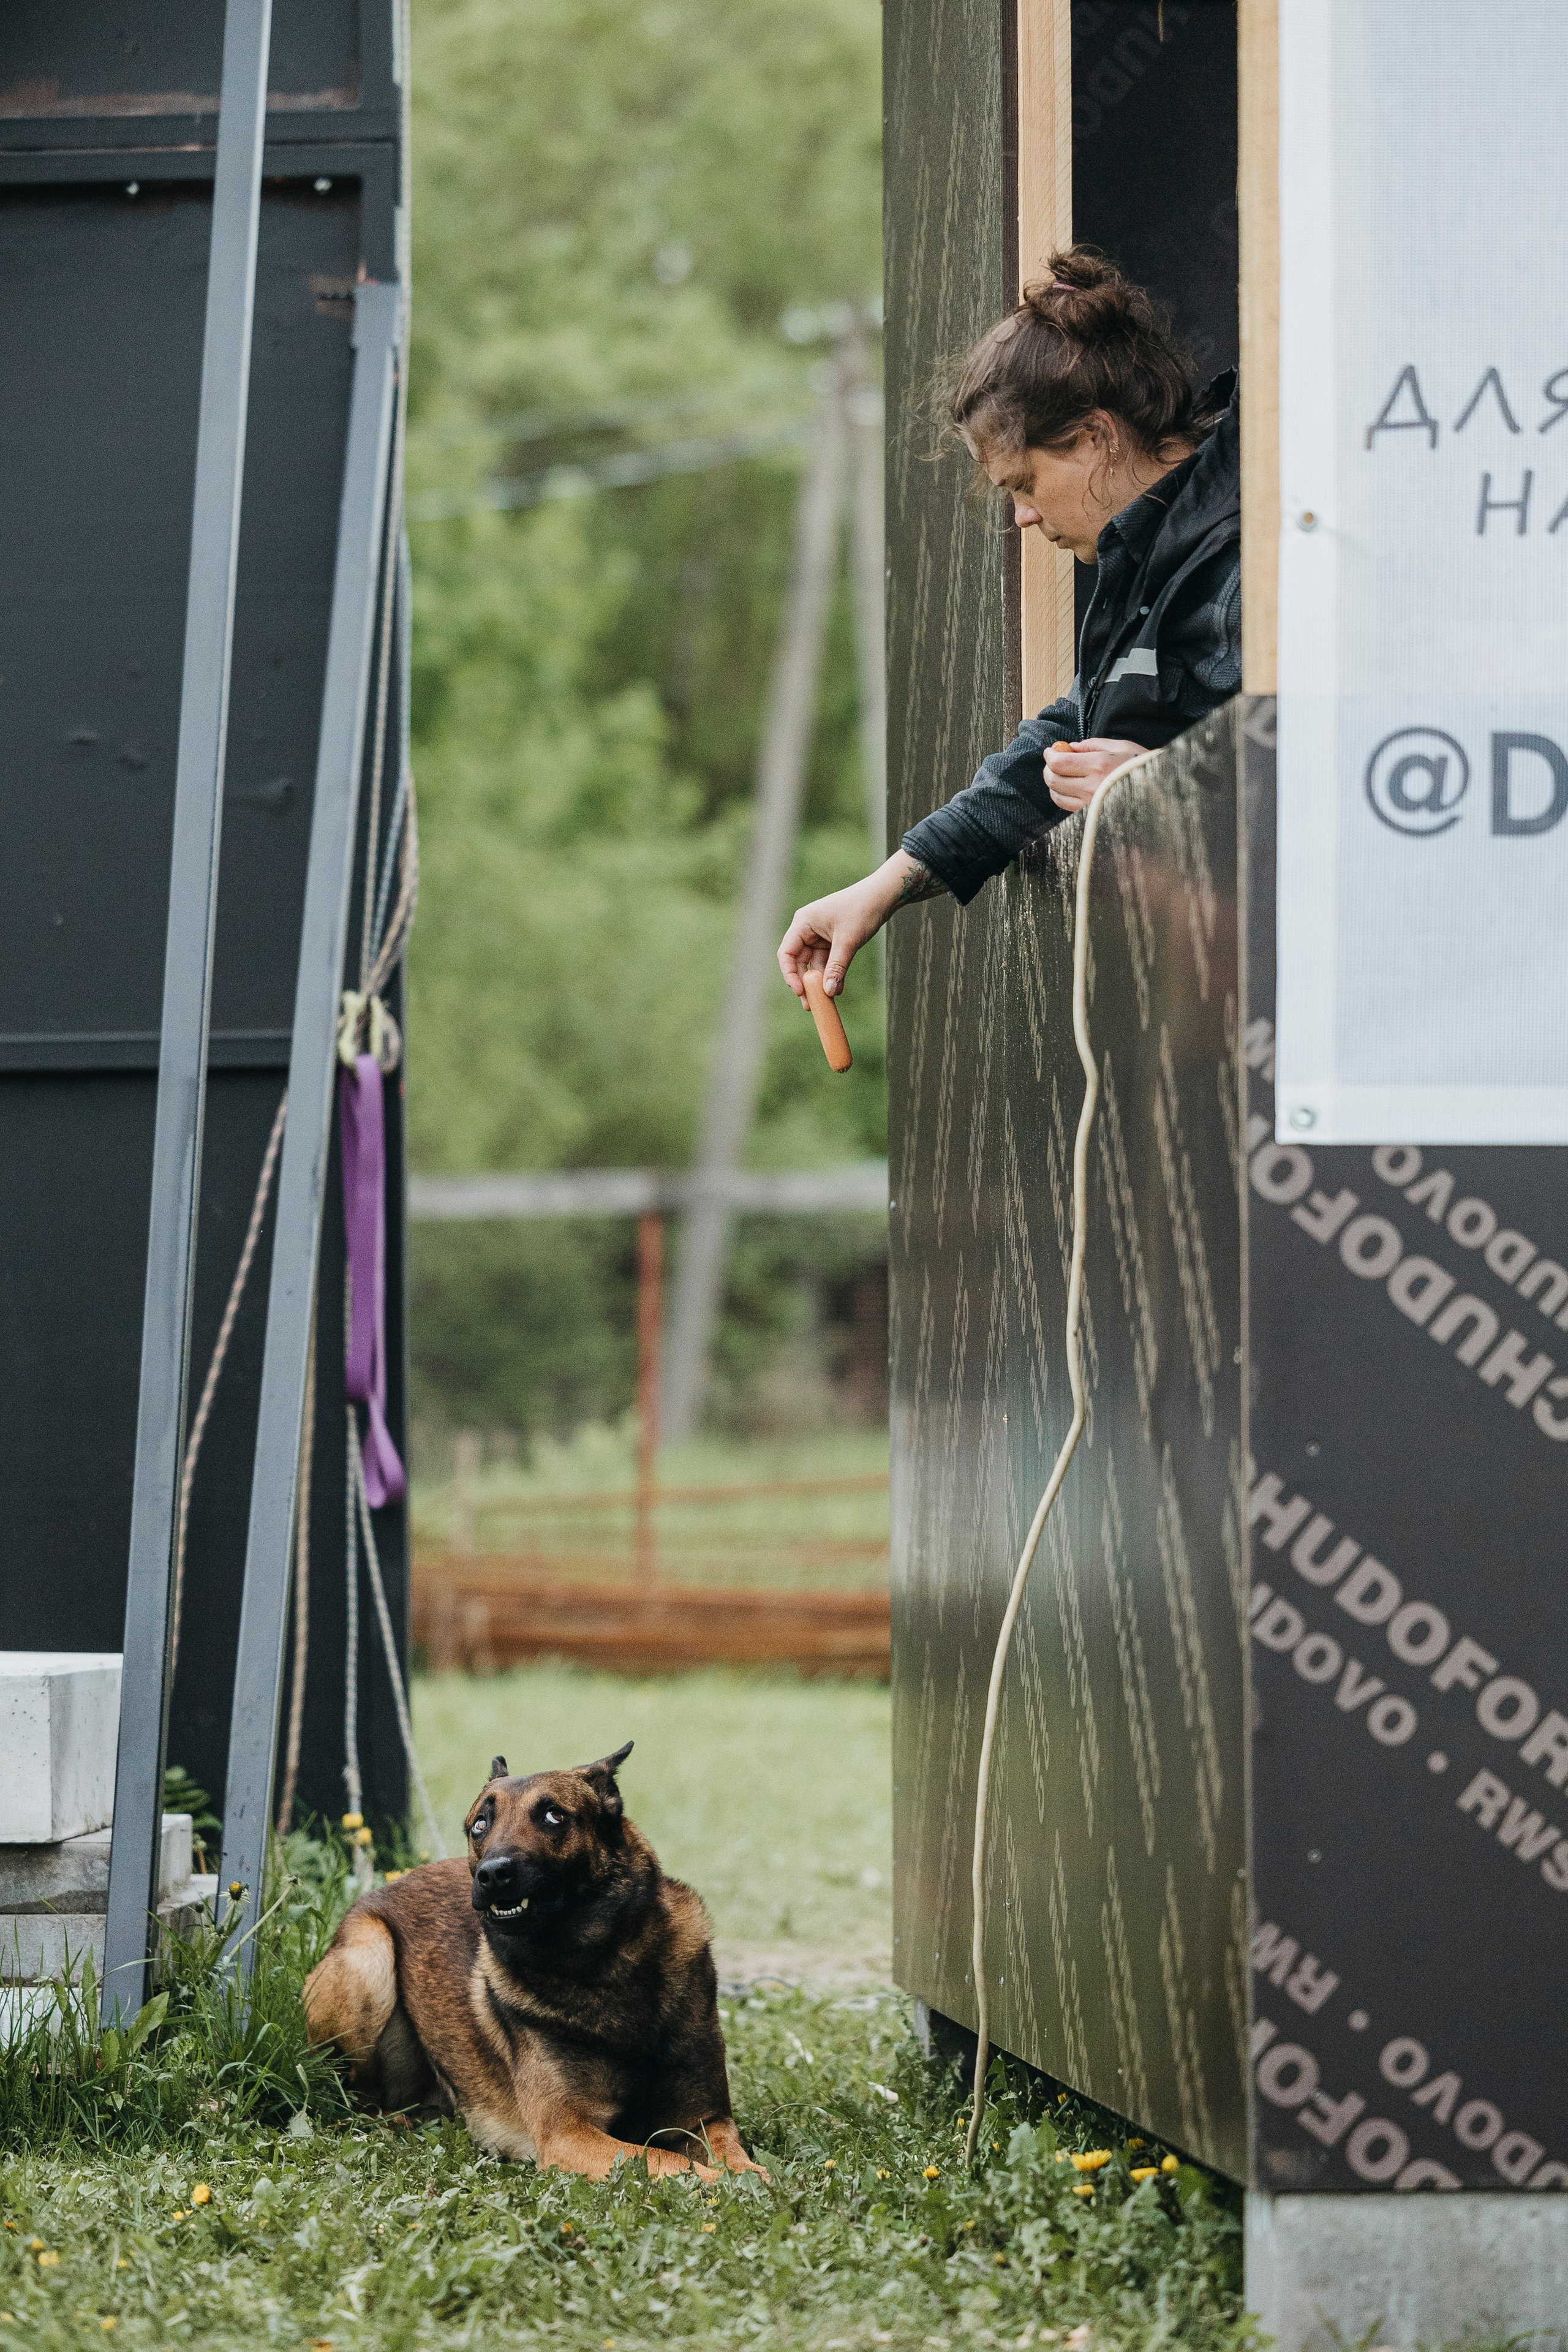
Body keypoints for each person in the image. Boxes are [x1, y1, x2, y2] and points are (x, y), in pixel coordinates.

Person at [777, 244, 1240, 1004]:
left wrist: (1154, 792)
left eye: (1025, 483)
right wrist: (885, 886)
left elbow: (1328, 769)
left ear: (1095, 437)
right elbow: (1060, 742)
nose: (1022, 516)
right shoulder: (1154, 554)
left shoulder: (1251, 551)